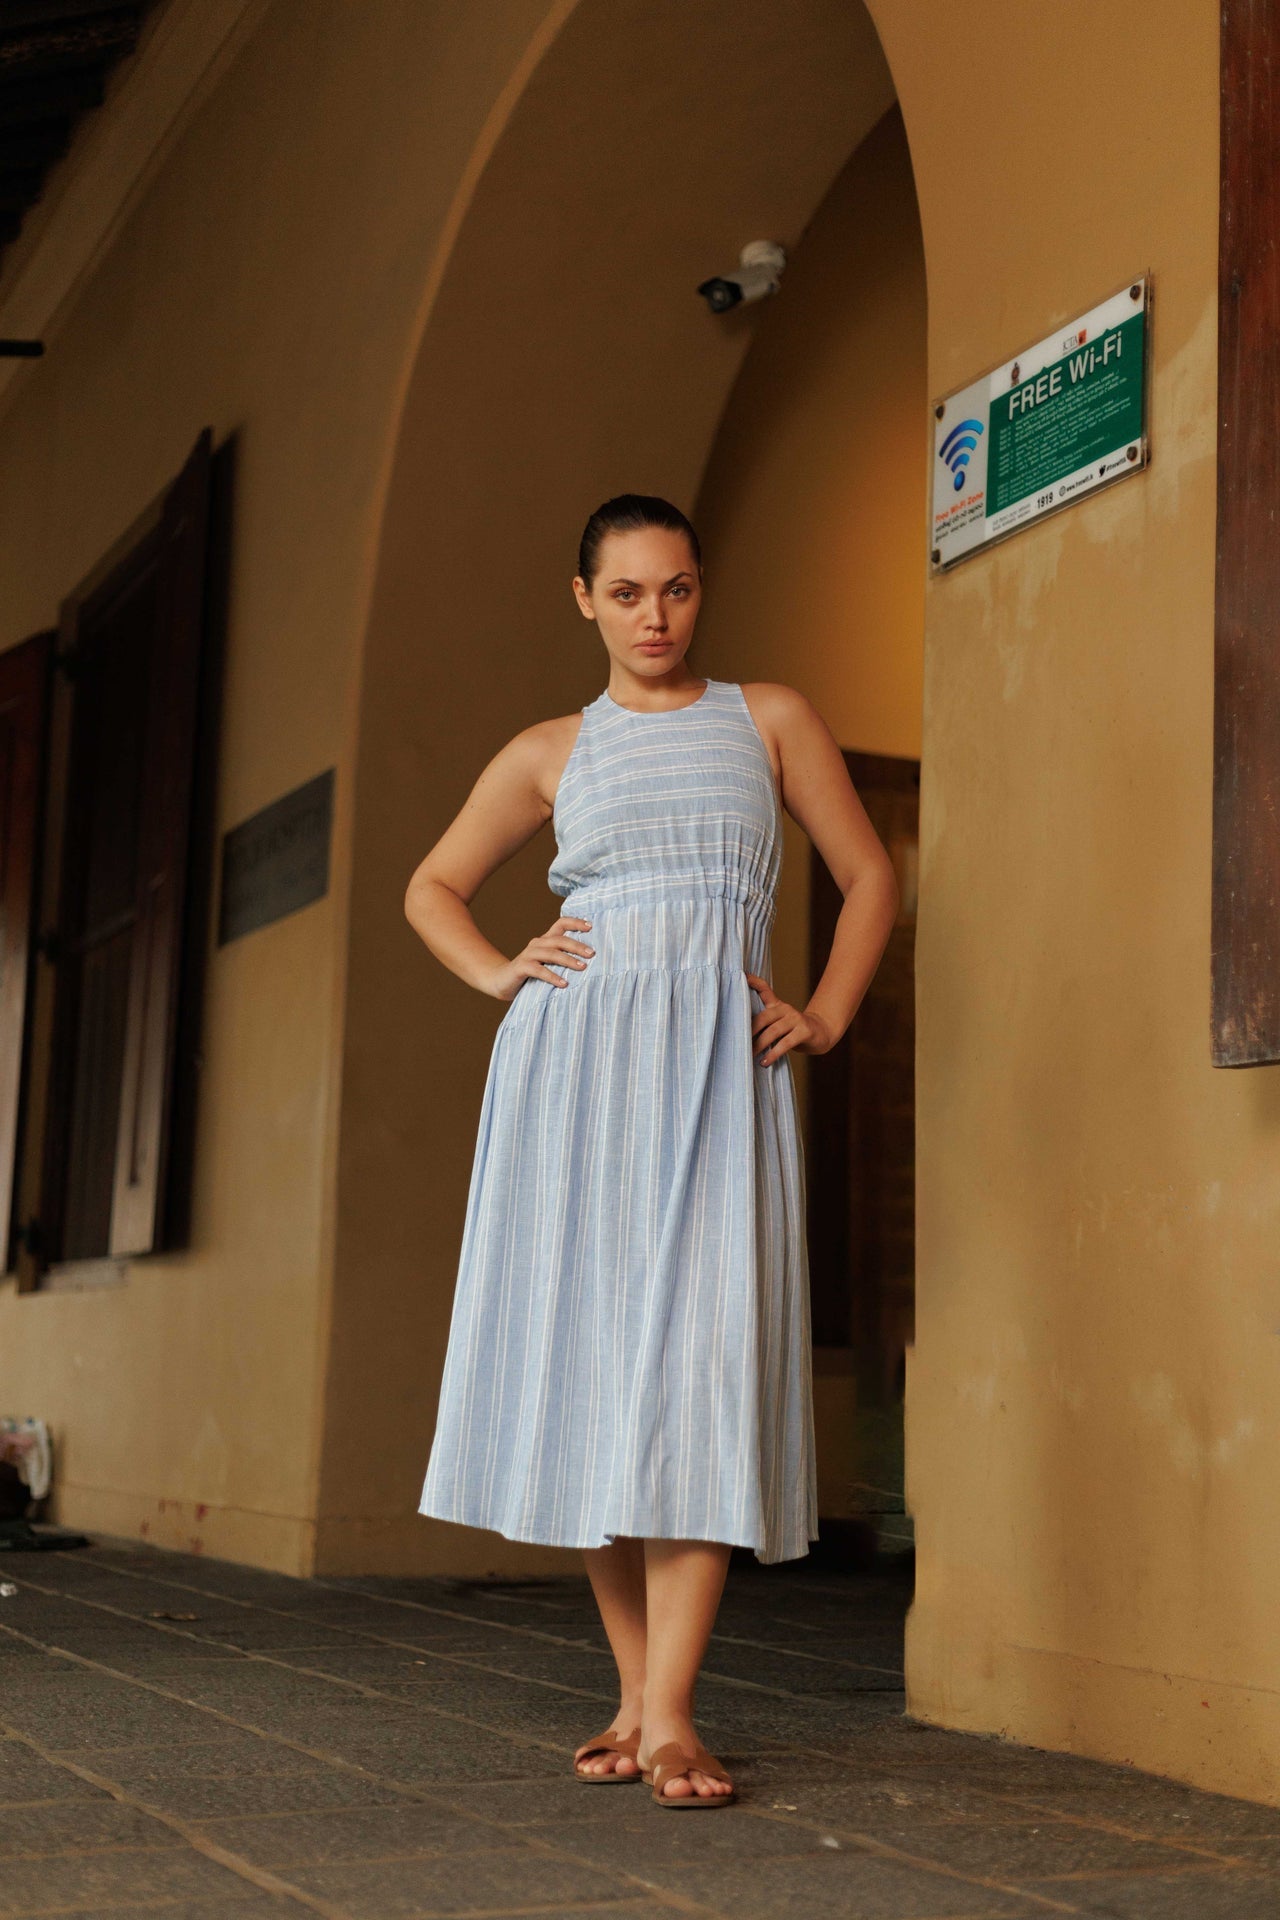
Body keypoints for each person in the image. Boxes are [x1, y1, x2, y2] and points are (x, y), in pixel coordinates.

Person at [406, 494, 898, 1807]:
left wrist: (827, 1013)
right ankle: (641, 1700)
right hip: (571, 1079)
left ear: (700, 587)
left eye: (676, 588)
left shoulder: (768, 719)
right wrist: (502, 974)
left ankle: (670, 1713)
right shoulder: (548, 750)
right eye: (626, 593)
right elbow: (429, 888)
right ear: (585, 599)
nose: (655, 617)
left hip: (717, 1077)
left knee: (698, 1366)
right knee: (596, 1370)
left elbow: (870, 875)